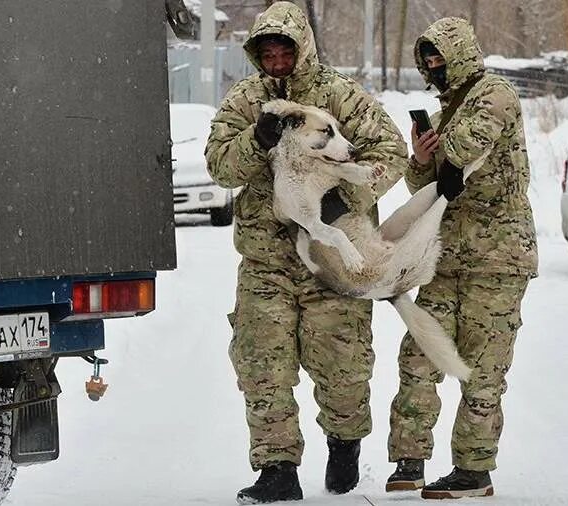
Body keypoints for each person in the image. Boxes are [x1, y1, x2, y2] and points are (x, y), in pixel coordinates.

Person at [204, 2, 408, 503]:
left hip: (331, 259)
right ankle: (277, 468)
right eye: (266, 51)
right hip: (265, 260)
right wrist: (256, 142)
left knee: (342, 367)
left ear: (303, 48)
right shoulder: (247, 101)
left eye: (284, 49)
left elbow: (392, 152)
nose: (276, 59)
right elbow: (219, 166)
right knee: (262, 363)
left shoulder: (340, 96)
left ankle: (344, 444)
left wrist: (345, 199)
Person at [384, 17, 538, 500]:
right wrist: (420, 157)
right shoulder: (449, 108)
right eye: (427, 60)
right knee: (419, 356)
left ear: (461, 54)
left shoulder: (494, 94)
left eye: (440, 57)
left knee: (482, 366)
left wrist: (439, 149)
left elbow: (470, 145)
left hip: (497, 258)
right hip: (446, 256)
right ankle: (410, 459)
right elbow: (425, 187)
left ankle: (474, 471)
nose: (435, 66)